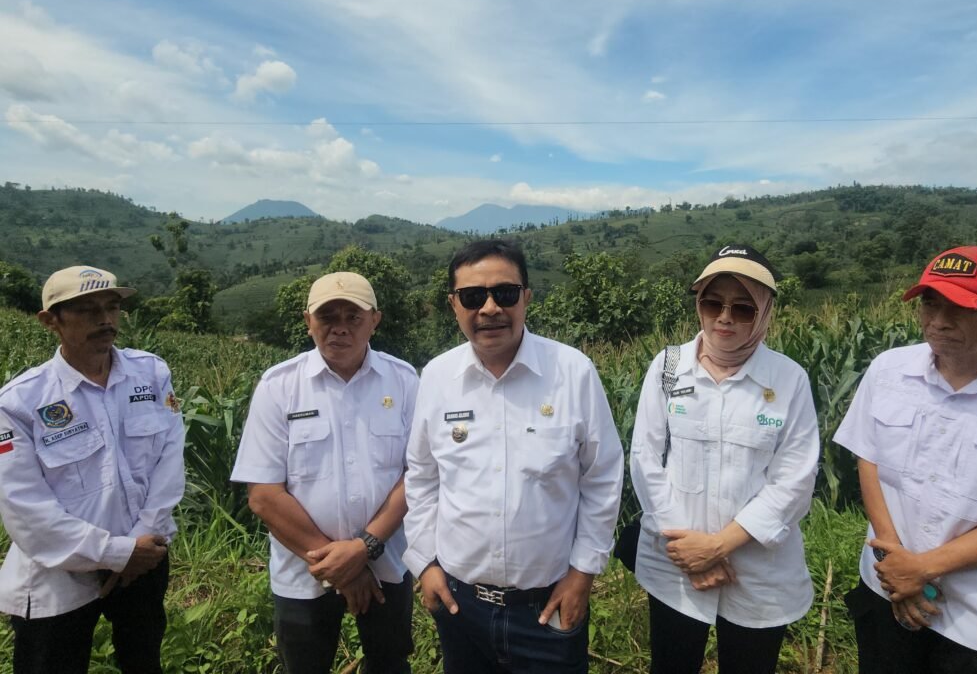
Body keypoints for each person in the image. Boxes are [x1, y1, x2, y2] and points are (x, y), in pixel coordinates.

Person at [403, 239, 624, 674]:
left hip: (548, 605)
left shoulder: (572, 372)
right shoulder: (436, 376)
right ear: (454, 305)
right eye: (472, 296)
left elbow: (602, 478)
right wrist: (425, 563)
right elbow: (423, 477)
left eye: (504, 293)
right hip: (460, 605)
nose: (489, 308)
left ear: (526, 297)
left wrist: (583, 573)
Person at [630, 245, 820, 674]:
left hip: (756, 569)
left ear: (766, 311)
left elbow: (794, 481)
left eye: (743, 308)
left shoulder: (789, 379)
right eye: (713, 302)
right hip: (675, 563)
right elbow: (645, 459)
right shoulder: (668, 366)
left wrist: (716, 547)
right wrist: (688, 550)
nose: (724, 318)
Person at [834, 246, 977, 674]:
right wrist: (894, 560)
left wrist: (923, 568)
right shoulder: (888, 369)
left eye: (961, 308)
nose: (938, 321)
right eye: (930, 303)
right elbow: (870, 459)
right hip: (885, 589)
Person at [0, 265, 186, 674]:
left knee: (143, 661)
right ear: (50, 321)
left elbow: (170, 457)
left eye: (112, 307)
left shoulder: (151, 373)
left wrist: (140, 543)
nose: (105, 319)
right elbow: (25, 509)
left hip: (145, 557)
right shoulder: (20, 403)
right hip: (59, 575)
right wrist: (116, 553)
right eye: (87, 310)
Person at [231, 271, 418, 674]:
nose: (340, 328)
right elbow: (264, 494)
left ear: (375, 320)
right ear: (308, 321)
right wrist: (341, 570)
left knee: (389, 664)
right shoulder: (279, 386)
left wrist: (363, 547)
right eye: (328, 316)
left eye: (353, 316)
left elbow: (416, 474)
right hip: (303, 572)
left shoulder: (404, 381)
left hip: (387, 562)